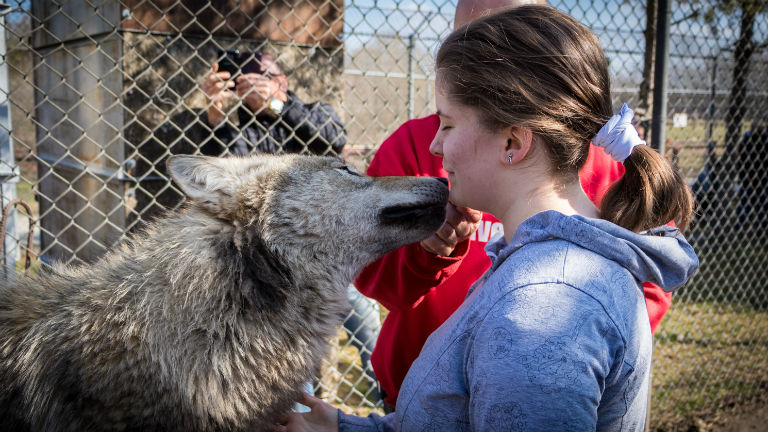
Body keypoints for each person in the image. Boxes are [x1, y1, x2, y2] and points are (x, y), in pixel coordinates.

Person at [276, 6, 698, 430]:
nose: (436, 147)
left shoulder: (541, 312)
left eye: (448, 124)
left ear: (513, 140)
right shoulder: (540, 262)